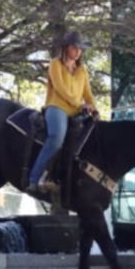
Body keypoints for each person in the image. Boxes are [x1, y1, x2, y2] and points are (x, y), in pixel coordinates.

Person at [26, 31, 98, 195]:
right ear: (66, 48)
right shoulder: (55, 64)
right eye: (75, 47)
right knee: (57, 137)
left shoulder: (82, 71)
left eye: (80, 48)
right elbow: (61, 89)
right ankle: (34, 179)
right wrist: (80, 104)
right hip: (56, 107)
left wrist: (93, 107)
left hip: (76, 111)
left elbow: (88, 94)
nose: (78, 51)